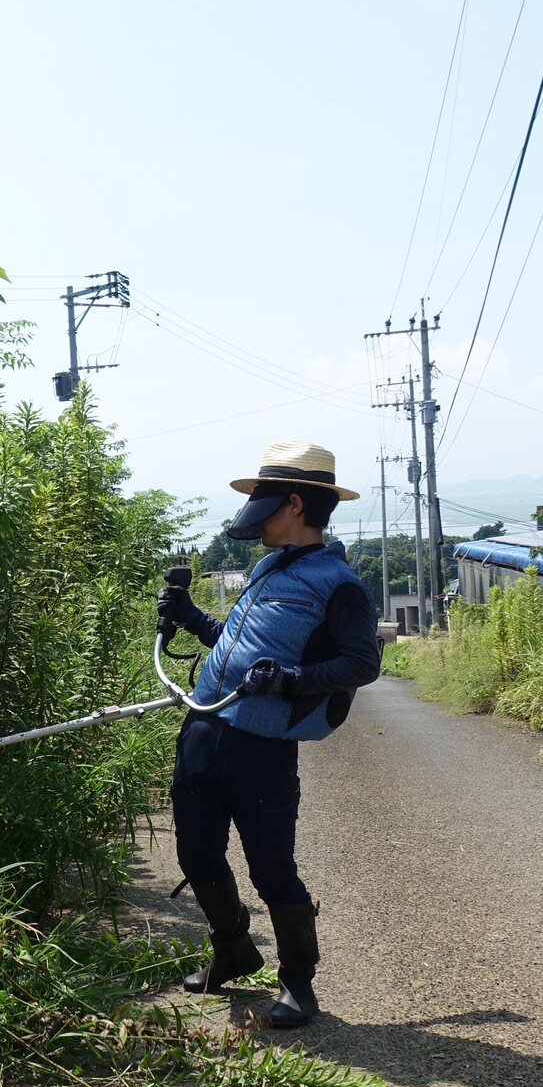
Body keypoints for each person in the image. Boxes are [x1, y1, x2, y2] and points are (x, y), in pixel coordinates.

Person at [156, 441, 381, 1029]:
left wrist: (292, 680)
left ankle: (298, 985)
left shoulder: (338, 585)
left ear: (296, 504)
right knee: (196, 854)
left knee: (270, 868)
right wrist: (186, 616)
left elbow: (362, 664)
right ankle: (232, 949)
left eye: (264, 497)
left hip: (262, 748)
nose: (254, 509)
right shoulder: (265, 568)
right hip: (204, 727)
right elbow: (233, 646)